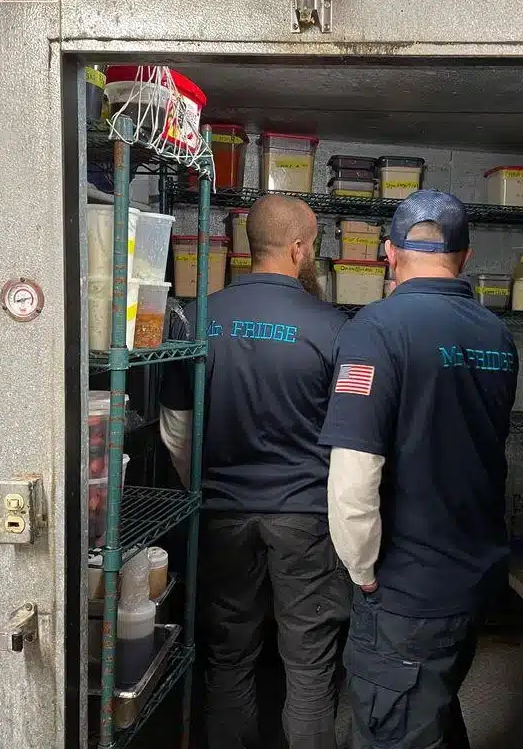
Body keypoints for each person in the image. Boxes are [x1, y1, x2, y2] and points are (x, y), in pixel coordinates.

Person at [319, 190, 519, 749]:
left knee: (393, 725)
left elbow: (355, 475)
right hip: (474, 578)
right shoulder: (495, 336)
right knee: (431, 703)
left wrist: (360, 569)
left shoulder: (375, 330)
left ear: (388, 252)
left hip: (408, 591)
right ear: (467, 256)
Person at [160, 194, 350, 749]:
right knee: (311, 663)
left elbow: (176, 428)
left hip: (220, 512)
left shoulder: (196, 318)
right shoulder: (333, 327)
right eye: (313, 244)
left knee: (228, 658)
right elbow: (349, 443)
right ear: (297, 249)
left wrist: (206, 483)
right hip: (306, 516)